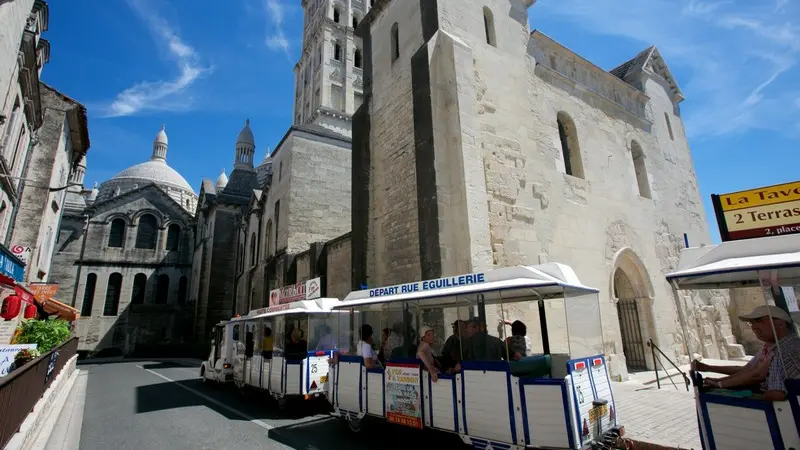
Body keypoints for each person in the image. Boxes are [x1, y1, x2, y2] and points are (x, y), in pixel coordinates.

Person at [694, 305, 800, 401]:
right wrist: (717, 380)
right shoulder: (772, 346)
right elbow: (749, 370)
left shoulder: (783, 351)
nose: (754, 326)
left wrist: (721, 384)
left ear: (780, 324)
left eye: (758, 321)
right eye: (751, 322)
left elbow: (774, 391)